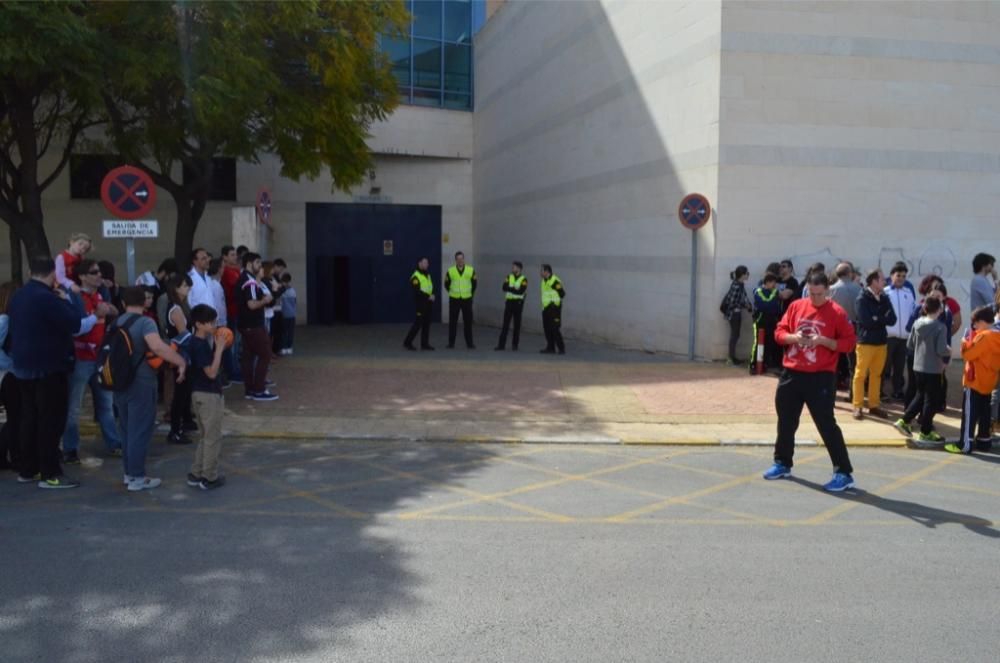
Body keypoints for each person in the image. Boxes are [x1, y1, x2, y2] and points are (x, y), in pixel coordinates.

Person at [9, 257, 104, 489]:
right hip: (49, 367)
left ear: (31, 271)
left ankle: (27, 468)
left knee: (29, 418)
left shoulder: (19, 295)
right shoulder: (48, 298)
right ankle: (50, 473)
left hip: (22, 366)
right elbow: (74, 324)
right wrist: (76, 306)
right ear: (53, 275)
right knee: (50, 421)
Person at [762, 272, 858, 492]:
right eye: (812, 293)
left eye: (820, 294)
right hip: (792, 373)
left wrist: (824, 341)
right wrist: (794, 337)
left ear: (827, 291)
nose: (815, 298)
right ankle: (782, 462)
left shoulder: (837, 313)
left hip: (820, 376)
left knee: (826, 424)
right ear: (807, 289)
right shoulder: (796, 306)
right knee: (786, 421)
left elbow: (849, 343)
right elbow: (779, 332)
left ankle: (844, 472)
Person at [114, 287, 188, 491]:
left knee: (127, 429)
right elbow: (156, 347)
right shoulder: (146, 322)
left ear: (123, 304)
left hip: (120, 382)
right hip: (142, 382)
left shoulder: (117, 322)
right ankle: (137, 477)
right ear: (145, 303)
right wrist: (180, 361)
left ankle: (129, 473)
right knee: (140, 431)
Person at [61, 259, 123, 464]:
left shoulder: (100, 294)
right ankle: (70, 449)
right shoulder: (75, 296)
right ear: (82, 276)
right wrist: (98, 314)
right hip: (81, 359)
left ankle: (114, 443)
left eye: (99, 272)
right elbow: (76, 327)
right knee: (74, 408)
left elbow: (110, 315)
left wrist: (111, 311)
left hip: (100, 357)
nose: (99, 275)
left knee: (106, 404)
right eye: (94, 272)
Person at [893, 296, 950, 442]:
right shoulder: (940, 327)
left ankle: (904, 420)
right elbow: (940, 349)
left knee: (920, 395)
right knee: (931, 400)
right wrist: (948, 350)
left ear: (924, 308)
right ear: (939, 309)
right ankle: (925, 431)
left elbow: (910, 345)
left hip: (918, 366)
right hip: (933, 368)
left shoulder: (917, 323)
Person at [947, 305, 1000, 454]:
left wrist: (965, 341)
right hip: (989, 380)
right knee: (984, 413)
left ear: (983, 322)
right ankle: (984, 441)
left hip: (974, 380)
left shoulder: (983, 337)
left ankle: (965, 444)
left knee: (969, 414)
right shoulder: (997, 336)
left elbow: (968, 355)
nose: (974, 326)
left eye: (976, 323)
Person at [186, 304, 227, 490]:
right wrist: (219, 349)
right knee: (212, 437)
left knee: (205, 436)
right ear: (198, 324)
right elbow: (211, 372)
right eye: (210, 322)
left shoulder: (195, 342)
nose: (214, 325)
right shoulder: (200, 345)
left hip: (198, 393)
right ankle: (209, 477)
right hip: (208, 394)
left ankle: (197, 472)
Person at [852, 269, 895, 419]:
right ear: (874, 281)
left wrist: (878, 317)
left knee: (876, 375)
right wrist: (881, 317)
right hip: (865, 342)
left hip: (881, 342)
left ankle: (874, 405)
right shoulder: (862, 298)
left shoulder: (884, 297)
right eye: (882, 279)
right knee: (860, 375)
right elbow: (866, 321)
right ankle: (857, 406)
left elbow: (893, 319)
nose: (885, 282)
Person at [236, 252, 278, 401]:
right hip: (253, 325)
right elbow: (252, 304)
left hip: (245, 325)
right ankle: (259, 389)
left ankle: (250, 390)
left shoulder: (245, 279)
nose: (260, 266)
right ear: (249, 264)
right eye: (258, 263)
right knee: (265, 355)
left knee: (248, 357)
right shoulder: (250, 282)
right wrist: (265, 300)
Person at [165, 274, 196, 444]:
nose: (188, 288)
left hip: (184, 353)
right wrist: (197, 345)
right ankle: (175, 430)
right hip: (180, 355)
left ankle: (186, 421)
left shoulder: (182, 306)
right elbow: (183, 335)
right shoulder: (175, 309)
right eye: (185, 285)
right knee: (180, 393)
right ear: (176, 288)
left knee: (185, 390)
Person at [883, 262, 915, 402]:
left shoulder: (908, 293)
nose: (901, 278)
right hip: (889, 336)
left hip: (904, 337)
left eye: (903, 276)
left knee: (899, 366)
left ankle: (897, 390)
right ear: (892, 276)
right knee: (884, 365)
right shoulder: (885, 292)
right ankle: (880, 391)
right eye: (898, 275)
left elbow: (912, 313)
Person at [829, 262, 861, 394]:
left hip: (834, 327)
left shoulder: (831, 289)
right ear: (850, 273)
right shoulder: (858, 289)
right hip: (853, 326)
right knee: (853, 362)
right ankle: (853, 393)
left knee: (833, 361)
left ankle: (832, 392)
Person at [0, 282, 19, 471]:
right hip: (8, 374)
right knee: (15, 417)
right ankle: (12, 454)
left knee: (15, 417)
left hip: (8, 373)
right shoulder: (5, 320)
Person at [720, 265, 752, 366]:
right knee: (734, 335)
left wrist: (747, 305)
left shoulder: (739, 284)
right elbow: (733, 302)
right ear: (742, 275)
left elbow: (742, 298)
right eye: (747, 273)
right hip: (734, 313)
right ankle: (731, 358)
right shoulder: (737, 285)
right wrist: (745, 305)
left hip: (736, 313)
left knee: (736, 334)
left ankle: (732, 357)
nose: (748, 275)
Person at [219, 245, 243, 383]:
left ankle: (235, 369)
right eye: (232, 254)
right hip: (231, 312)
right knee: (231, 344)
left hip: (236, 311)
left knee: (236, 342)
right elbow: (237, 288)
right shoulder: (228, 272)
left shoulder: (235, 271)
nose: (235, 257)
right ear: (225, 257)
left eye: (235, 254)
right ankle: (232, 372)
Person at [749, 273, 782, 372]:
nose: (774, 286)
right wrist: (772, 306)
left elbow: (774, 308)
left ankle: (765, 364)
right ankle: (753, 364)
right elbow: (765, 305)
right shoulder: (758, 291)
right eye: (773, 283)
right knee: (757, 343)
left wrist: (772, 307)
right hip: (760, 321)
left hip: (771, 321)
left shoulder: (774, 291)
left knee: (769, 343)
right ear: (767, 282)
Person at [445, 251, 477, 349]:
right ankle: (451, 343)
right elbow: (446, 284)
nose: (460, 260)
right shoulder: (450, 271)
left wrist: (470, 294)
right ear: (455, 260)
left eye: (461, 258)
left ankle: (469, 343)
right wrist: (452, 292)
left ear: (464, 259)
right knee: (452, 322)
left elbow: (474, 284)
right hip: (454, 299)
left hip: (467, 299)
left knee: (468, 322)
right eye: (458, 259)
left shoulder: (471, 270)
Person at [403, 257, 435, 351]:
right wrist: (428, 296)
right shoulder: (415, 277)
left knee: (426, 324)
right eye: (425, 263)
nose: (427, 264)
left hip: (428, 303)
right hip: (420, 304)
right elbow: (417, 291)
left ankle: (424, 344)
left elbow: (430, 287)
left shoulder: (427, 275)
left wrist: (432, 294)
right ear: (419, 263)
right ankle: (407, 342)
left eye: (427, 263)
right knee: (418, 324)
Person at [495, 261, 527, 351]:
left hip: (518, 304)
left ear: (519, 269)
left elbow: (521, 291)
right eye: (512, 267)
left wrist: (510, 288)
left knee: (517, 325)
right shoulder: (509, 277)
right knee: (505, 324)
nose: (512, 268)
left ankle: (515, 345)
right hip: (509, 303)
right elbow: (504, 287)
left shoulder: (524, 279)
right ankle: (501, 345)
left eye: (514, 267)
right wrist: (514, 288)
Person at [539, 264, 566, 355]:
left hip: (554, 308)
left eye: (542, 270)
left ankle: (561, 348)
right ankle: (550, 348)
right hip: (545, 308)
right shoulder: (543, 281)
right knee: (547, 329)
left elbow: (562, 293)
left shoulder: (554, 281)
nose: (540, 272)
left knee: (555, 329)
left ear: (547, 271)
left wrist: (553, 303)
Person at [279, 273, 297, 356]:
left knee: (284, 332)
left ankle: (284, 347)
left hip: (284, 314)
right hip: (292, 314)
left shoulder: (282, 291)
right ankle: (289, 347)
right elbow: (295, 302)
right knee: (290, 332)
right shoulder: (293, 291)